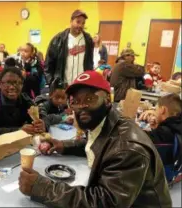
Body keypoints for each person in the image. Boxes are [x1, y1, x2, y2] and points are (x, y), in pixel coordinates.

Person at [18, 70, 171, 208]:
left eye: (90, 99)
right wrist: (63, 145)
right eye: (75, 101)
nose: (81, 106)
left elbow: (104, 202)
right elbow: (100, 141)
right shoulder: (109, 122)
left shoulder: (128, 148)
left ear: (107, 100)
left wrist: (43, 188)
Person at [0, 67, 47, 139]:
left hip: (18, 145)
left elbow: (39, 116)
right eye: (8, 83)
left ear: (22, 85)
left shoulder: (25, 100)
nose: (12, 87)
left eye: (17, 83)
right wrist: (18, 131)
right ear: (0, 84)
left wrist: (41, 124)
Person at [139, 94, 182, 179]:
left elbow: (138, 137)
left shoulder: (164, 133)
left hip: (163, 179)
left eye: (156, 109)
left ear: (163, 110)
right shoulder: (176, 126)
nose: (155, 112)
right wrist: (157, 127)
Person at [45, 10, 94, 85]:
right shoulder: (58, 39)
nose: (80, 25)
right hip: (63, 86)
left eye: (83, 23)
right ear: (71, 21)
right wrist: (53, 84)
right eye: (78, 22)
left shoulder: (88, 40)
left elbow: (90, 64)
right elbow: (48, 65)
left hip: (82, 86)